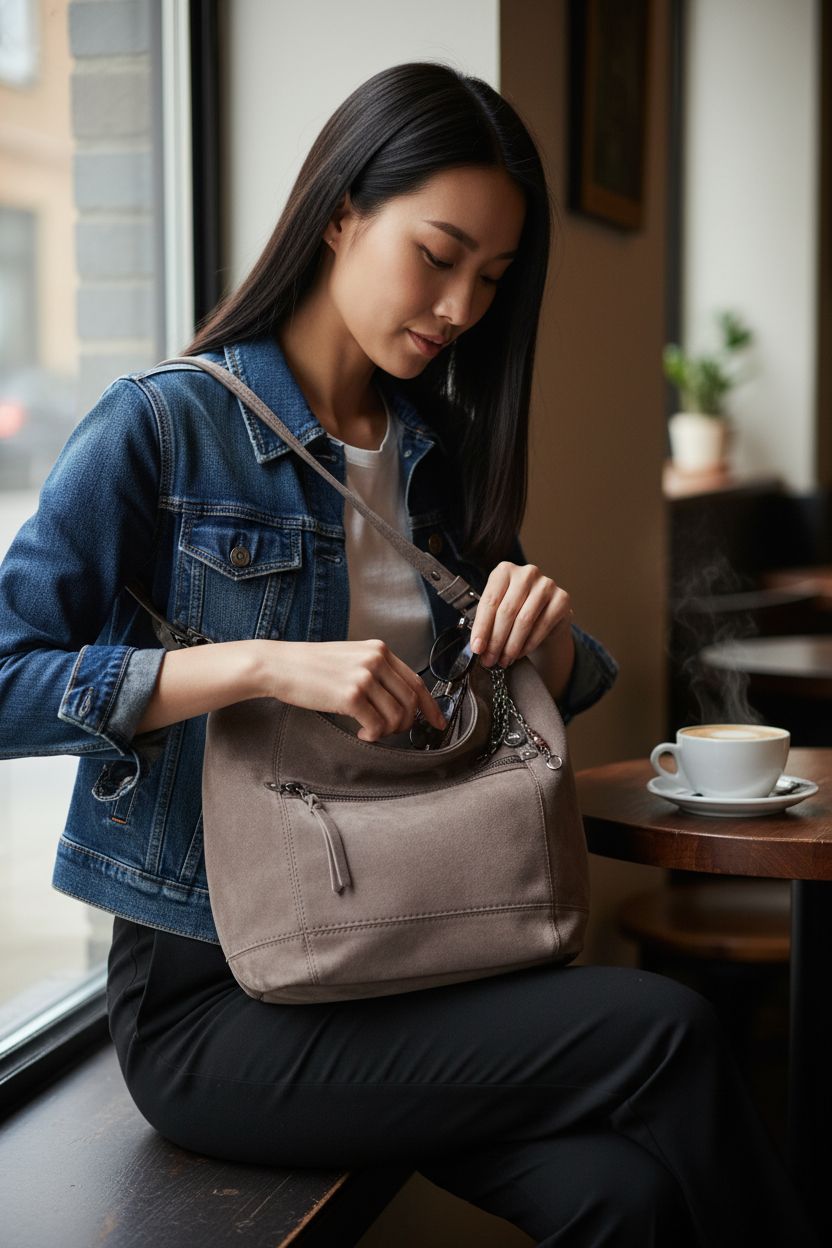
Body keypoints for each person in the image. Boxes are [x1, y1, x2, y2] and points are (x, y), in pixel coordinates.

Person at [0, 61, 818, 1247]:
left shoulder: (432, 458)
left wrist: (543, 629)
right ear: (340, 211)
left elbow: (544, 691)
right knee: (667, 1030)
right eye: (437, 256)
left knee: (621, 1197)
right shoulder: (164, 424)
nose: (459, 308)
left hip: (411, 952)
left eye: (489, 280)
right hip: (216, 1004)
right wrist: (265, 665)